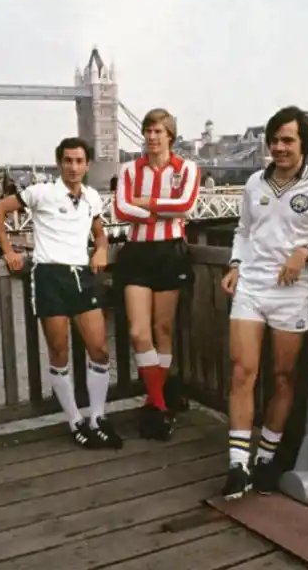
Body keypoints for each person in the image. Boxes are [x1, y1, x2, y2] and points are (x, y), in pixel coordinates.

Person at [218, 106, 308, 499]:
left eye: (287, 140)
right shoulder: (254, 184)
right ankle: (237, 464)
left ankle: (266, 457)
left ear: (304, 145)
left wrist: (306, 252)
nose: (279, 147)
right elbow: (243, 231)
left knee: (283, 379)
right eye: (274, 140)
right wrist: (236, 264)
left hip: (293, 294)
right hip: (252, 289)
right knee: (243, 372)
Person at [0, 137, 123, 450]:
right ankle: (75, 421)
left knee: (99, 350)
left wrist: (101, 250)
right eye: (68, 161)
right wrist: (8, 251)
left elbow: (99, 234)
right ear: (59, 163)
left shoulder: (91, 197)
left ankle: (97, 417)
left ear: (87, 165)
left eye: (79, 161)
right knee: (60, 352)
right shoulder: (41, 192)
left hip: (81, 276)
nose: (74, 167)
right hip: (49, 276)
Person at [113, 108, 200, 441]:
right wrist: (158, 211)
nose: (151, 136)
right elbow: (121, 209)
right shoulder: (129, 169)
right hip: (137, 253)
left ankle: (153, 402)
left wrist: (144, 203)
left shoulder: (186, 168)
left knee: (163, 328)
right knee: (138, 332)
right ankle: (161, 404)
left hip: (170, 252)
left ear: (170, 136)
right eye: (148, 130)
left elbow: (186, 206)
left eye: (158, 131)